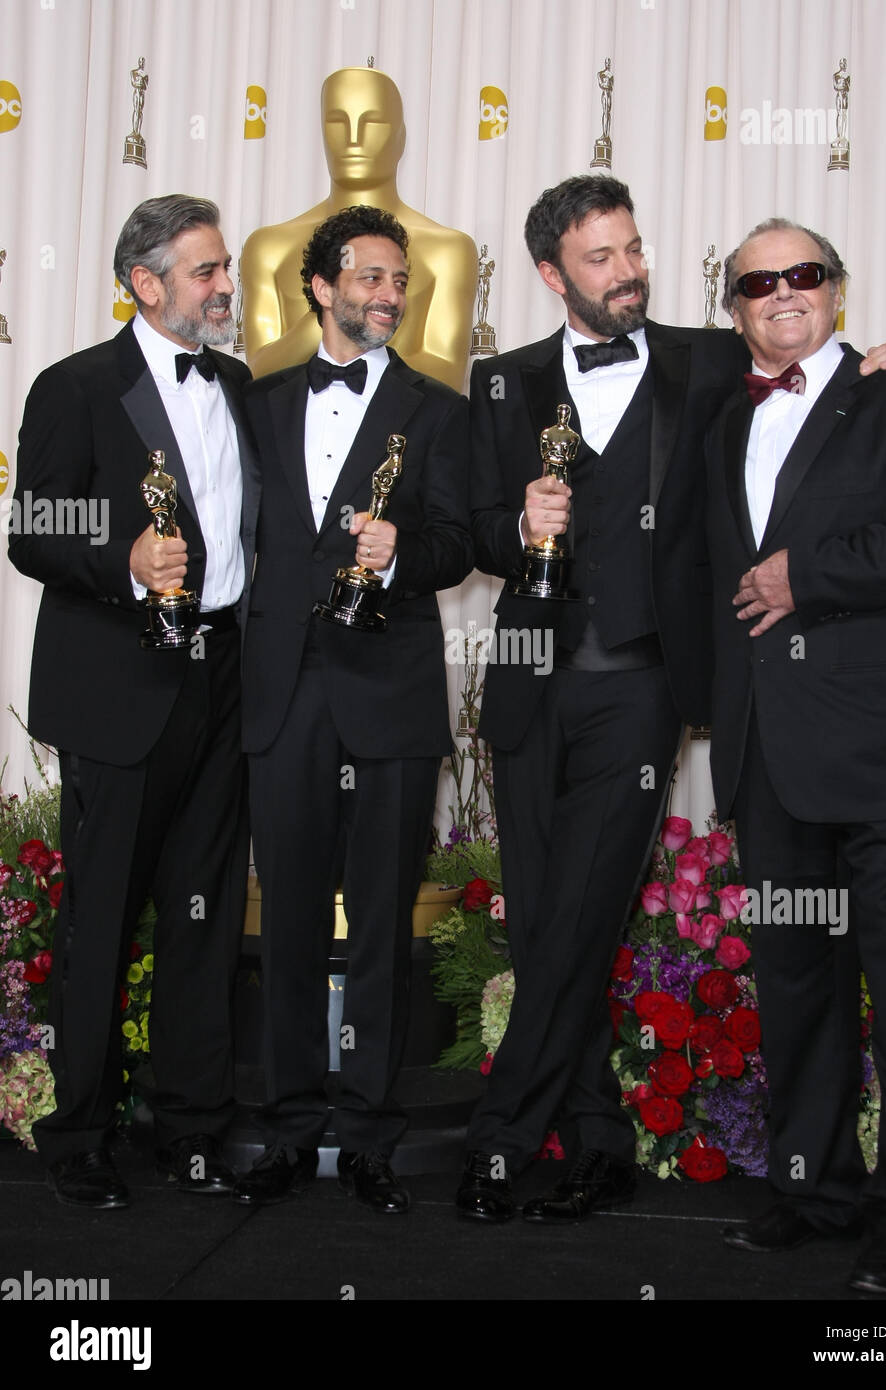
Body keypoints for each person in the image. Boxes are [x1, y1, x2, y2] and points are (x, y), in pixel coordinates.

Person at [458, 175, 886, 1225]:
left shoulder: (707, 359)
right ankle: (593, 1138)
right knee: (542, 923)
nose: (628, 272)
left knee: (581, 911)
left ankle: (496, 1138)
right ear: (549, 275)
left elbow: (808, 370)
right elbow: (471, 528)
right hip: (530, 684)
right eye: (600, 258)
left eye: (632, 249)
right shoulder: (501, 383)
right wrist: (510, 526)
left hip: (640, 682)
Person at [706, 217, 886, 1293]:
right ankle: (814, 1187)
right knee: (797, 990)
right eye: (758, 282)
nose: (783, 292)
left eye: (805, 274)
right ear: (731, 305)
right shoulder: (713, 416)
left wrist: (805, 575)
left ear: (835, 287)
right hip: (774, 763)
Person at [9, 194, 258, 1208]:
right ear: (146, 284)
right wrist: (120, 557)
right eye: (205, 271)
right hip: (121, 684)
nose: (224, 286)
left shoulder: (242, 384)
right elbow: (33, 528)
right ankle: (79, 1133)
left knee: (203, 916)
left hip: (227, 677)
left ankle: (192, 1126)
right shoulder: (74, 387)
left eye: (225, 266)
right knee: (101, 915)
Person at [234, 205, 472, 1212]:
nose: (387, 294)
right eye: (368, 277)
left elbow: (460, 544)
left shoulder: (441, 409)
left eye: (397, 280)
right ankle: (289, 1122)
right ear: (321, 288)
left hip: (388, 695)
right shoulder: (254, 401)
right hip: (281, 693)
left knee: (379, 920)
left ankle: (370, 1129)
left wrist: (400, 555)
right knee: (285, 918)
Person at [240, 66, 476, 390]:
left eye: (372, 122)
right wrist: (336, 309)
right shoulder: (269, 248)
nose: (353, 138)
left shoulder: (448, 251)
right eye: (338, 122)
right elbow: (258, 376)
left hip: (398, 436)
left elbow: (444, 378)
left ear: (400, 138)